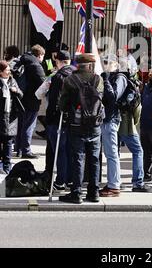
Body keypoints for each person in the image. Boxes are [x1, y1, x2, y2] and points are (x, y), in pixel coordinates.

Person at [59, 53, 103, 204]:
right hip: (95, 125)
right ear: (91, 65)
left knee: (78, 158)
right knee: (94, 159)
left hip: (77, 124)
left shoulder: (70, 80)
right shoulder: (98, 79)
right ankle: (94, 192)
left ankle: (76, 193)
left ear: (78, 65)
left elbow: (62, 105)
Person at [45, 50, 75, 191]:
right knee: (69, 150)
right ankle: (69, 179)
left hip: (58, 119)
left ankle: (61, 180)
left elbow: (54, 100)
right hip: (73, 119)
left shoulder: (59, 76)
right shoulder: (76, 74)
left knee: (60, 151)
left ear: (58, 61)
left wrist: (50, 118)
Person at [100, 54, 127, 197]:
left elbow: (113, 97)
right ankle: (111, 182)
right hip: (103, 119)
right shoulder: (107, 77)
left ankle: (114, 185)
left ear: (116, 65)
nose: (106, 65)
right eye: (104, 62)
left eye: (109, 63)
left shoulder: (120, 78)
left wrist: (105, 78)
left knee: (112, 154)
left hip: (111, 119)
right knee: (108, 153)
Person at [19, 45, 46, 158]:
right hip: (32, 99)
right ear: (40, 55)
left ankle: (19, 148)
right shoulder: (36, 66)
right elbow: (43, 83)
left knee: (22, 124)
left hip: (21, 98)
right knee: (29, 125)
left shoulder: (24, 61)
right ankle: (26, 150)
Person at [0, 60, 23, 173]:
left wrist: (16, 91)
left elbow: (21, 94)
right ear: (0, 72)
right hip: (1, 116)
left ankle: (7, 167)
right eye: (6, 70)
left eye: (9, 70)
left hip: (11, 115)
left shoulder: (12, 81)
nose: (9, 72)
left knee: (9, 142)